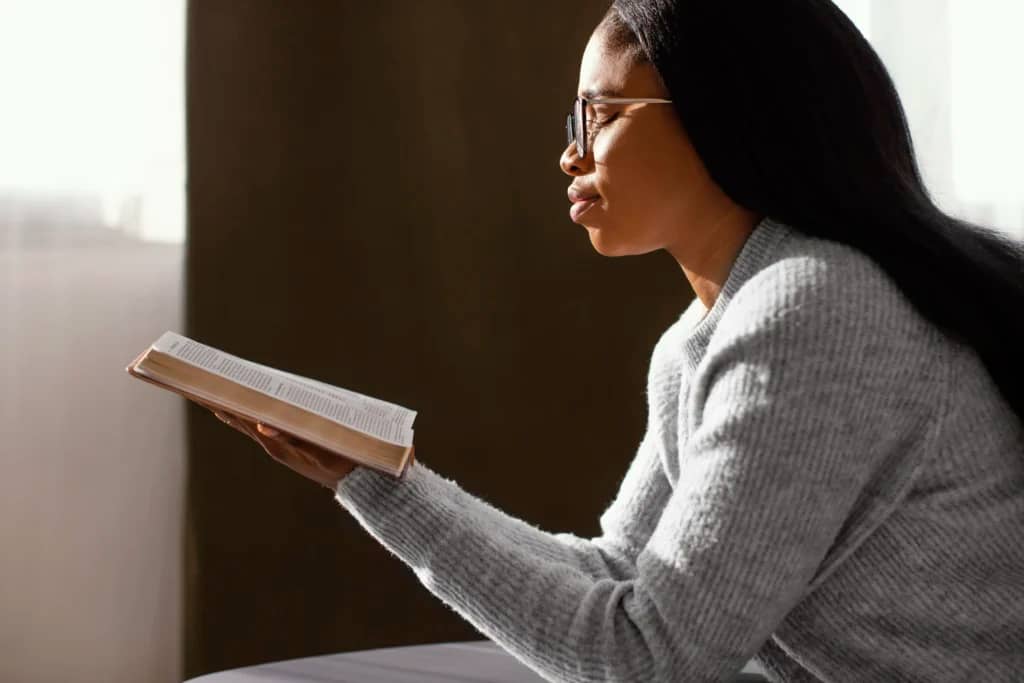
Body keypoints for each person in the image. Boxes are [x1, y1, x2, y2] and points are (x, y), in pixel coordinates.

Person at [212, 1, 1024, 680]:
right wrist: (380, 472)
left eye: (598, 114)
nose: (570, 153)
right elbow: (621, 576)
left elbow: (650, 658)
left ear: (722, 114)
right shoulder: (706, 337)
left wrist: (391, 494)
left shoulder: (814, 306)